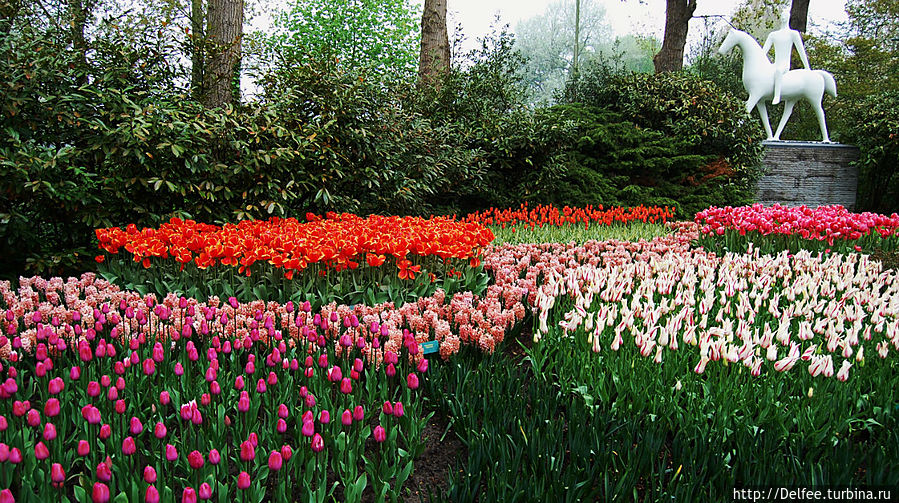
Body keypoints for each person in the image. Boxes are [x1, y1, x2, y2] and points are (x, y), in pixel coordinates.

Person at [762, 10, 811, 105]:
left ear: (788, 18)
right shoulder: (773, 35)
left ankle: (777, 95)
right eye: (782, 15)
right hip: (775, 64)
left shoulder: (793, 34)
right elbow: (763, 53)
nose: (783, 17)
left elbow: (801, 51)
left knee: (778, 71)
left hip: (784, 64)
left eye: (785, 15)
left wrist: (807, 67)